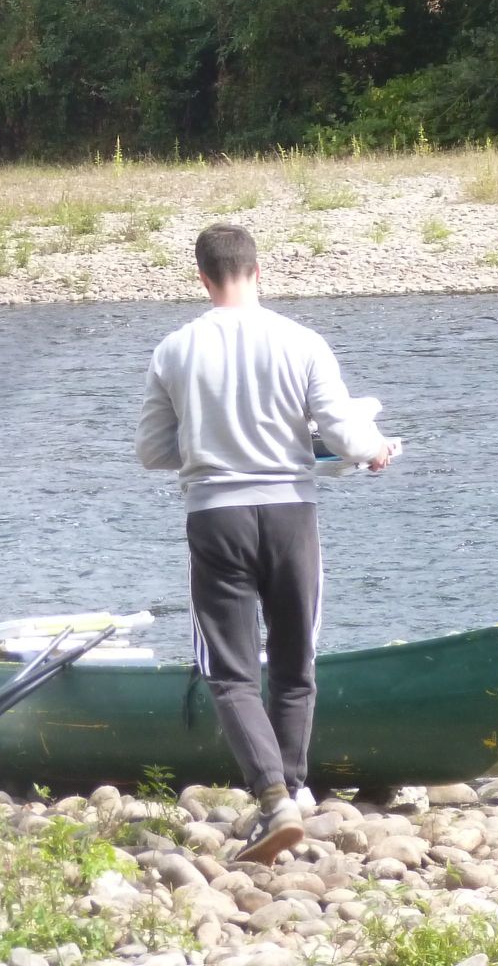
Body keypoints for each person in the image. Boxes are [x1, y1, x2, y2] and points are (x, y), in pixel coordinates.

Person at [136, 223, 400, 864]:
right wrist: (374, 450)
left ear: (201, 278)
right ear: (259, 271)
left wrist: (207, 442)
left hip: (216, 518)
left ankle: (273, 796)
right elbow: (340, 427)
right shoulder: (301, 341)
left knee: (230, 671)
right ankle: (296, 790)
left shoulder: (174, 349)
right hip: (290, 513)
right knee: (294, 656)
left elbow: (152, 451)